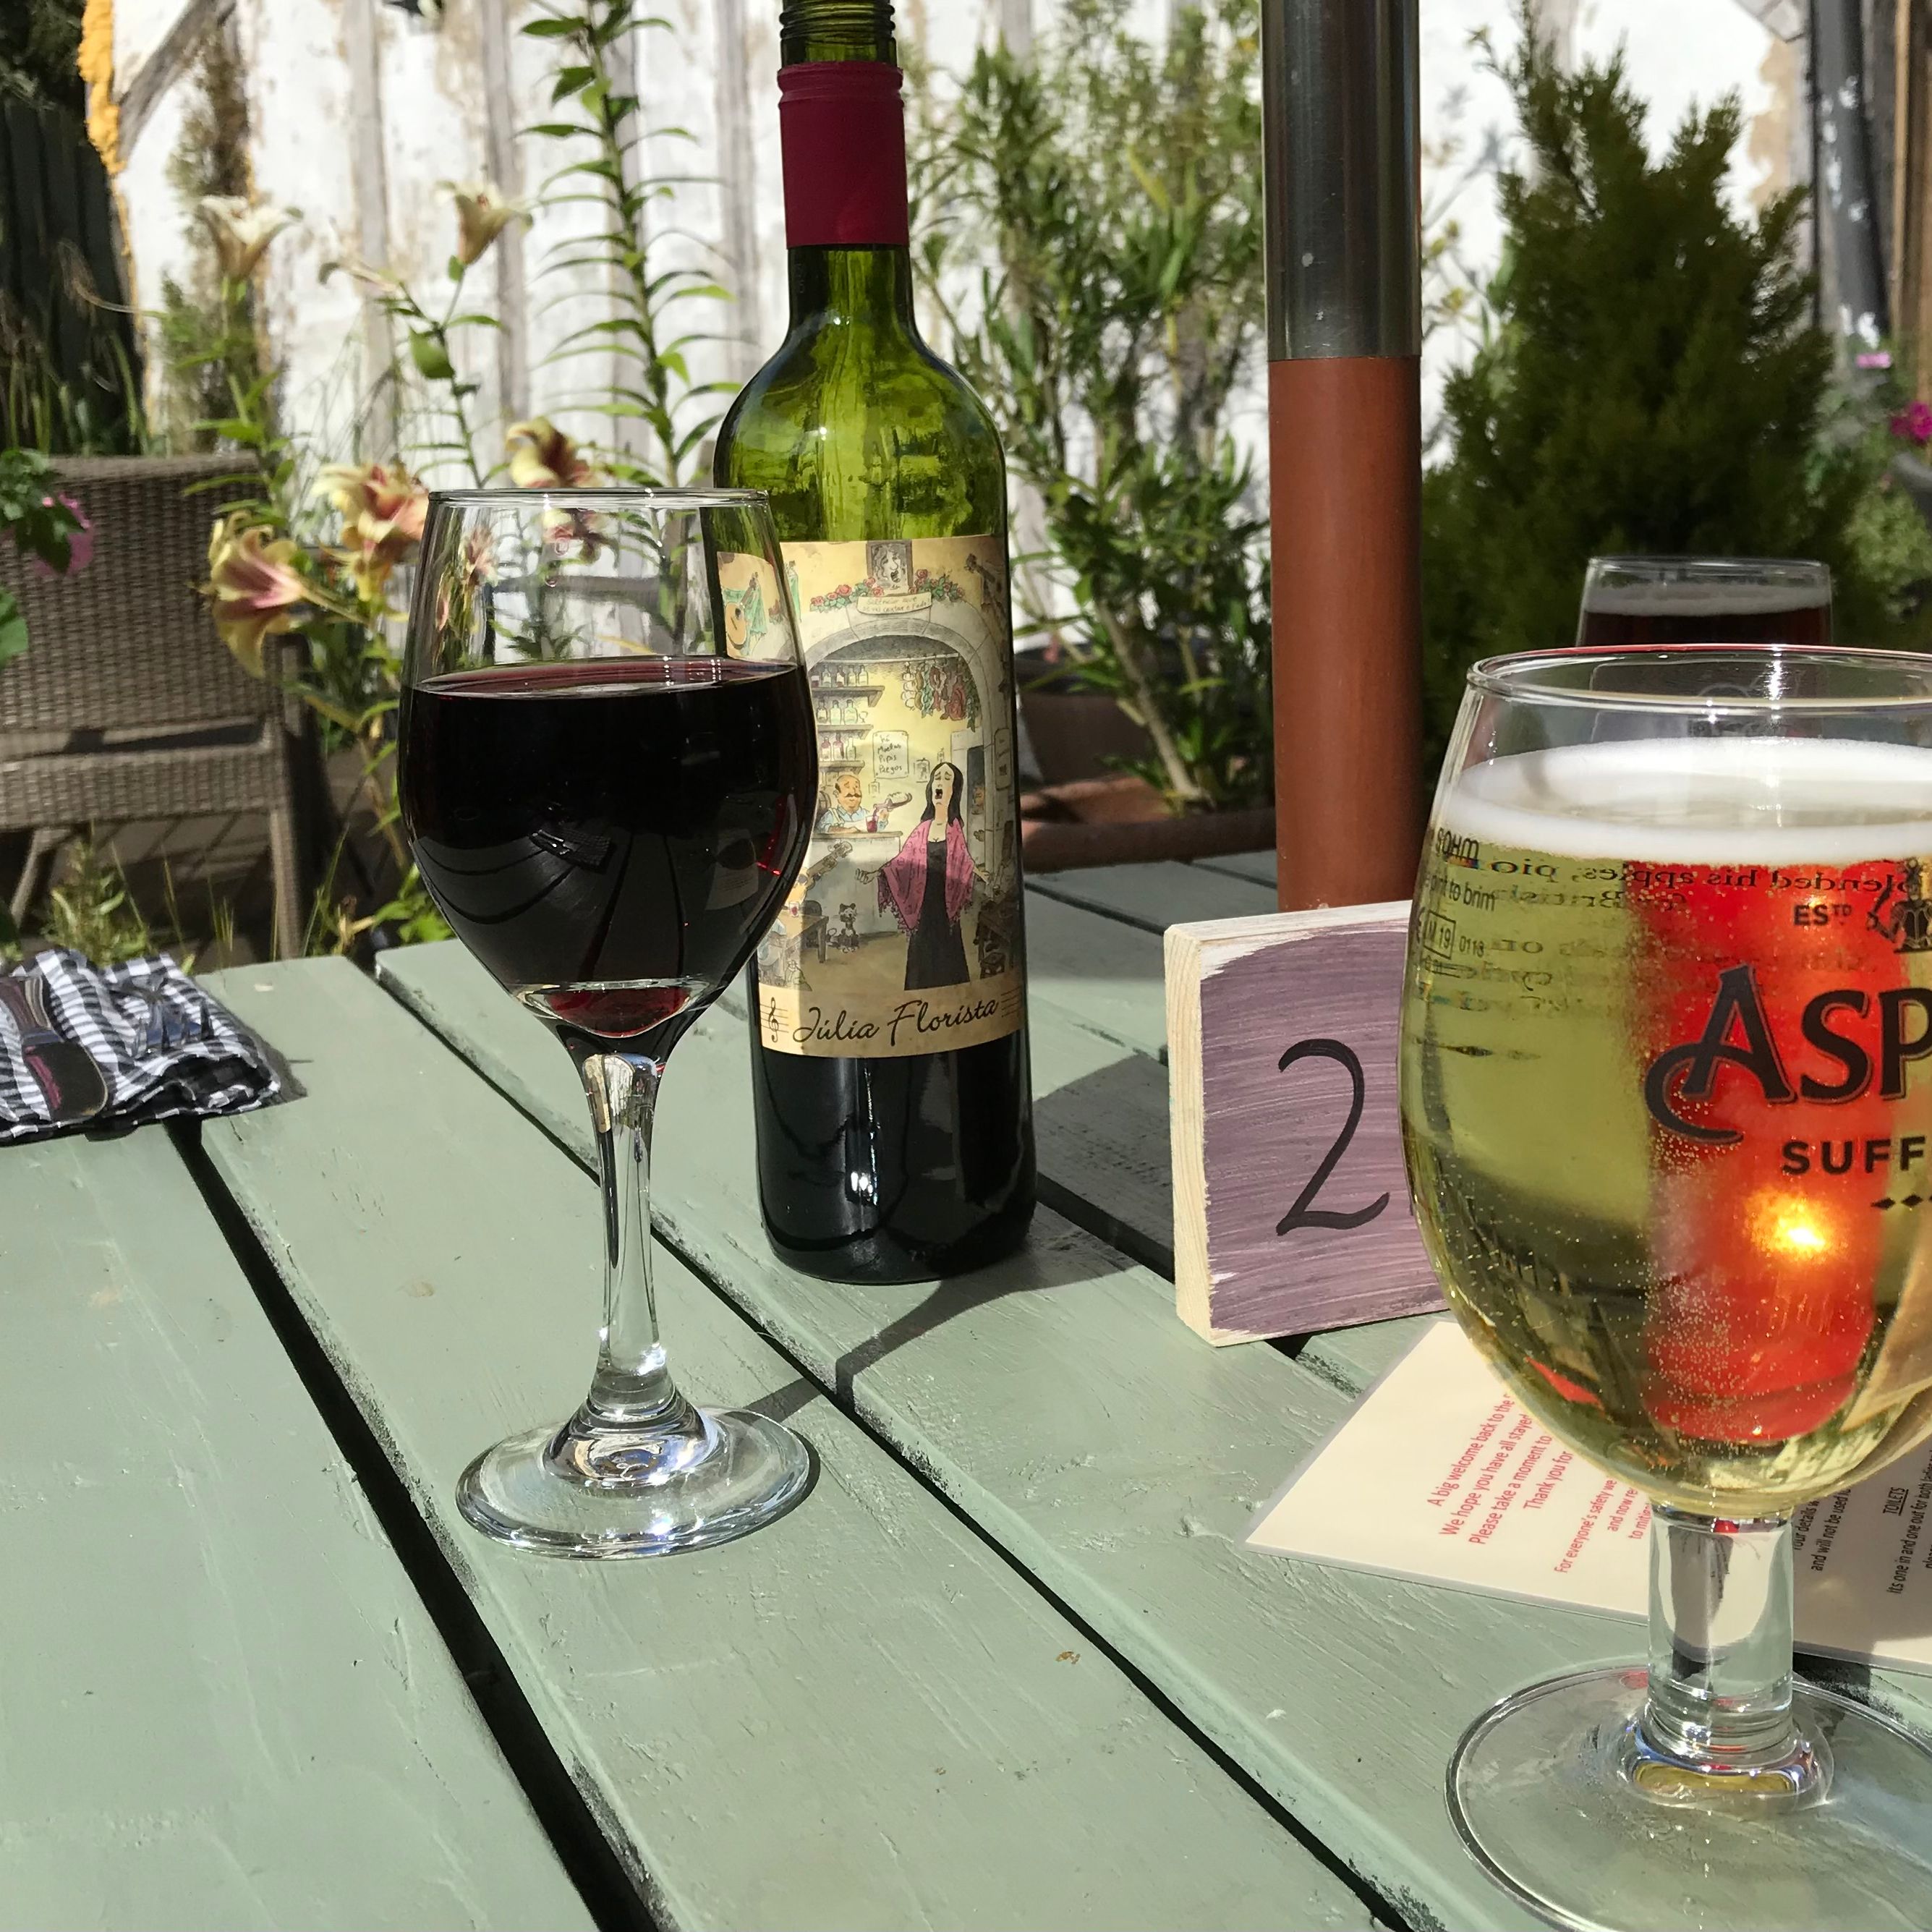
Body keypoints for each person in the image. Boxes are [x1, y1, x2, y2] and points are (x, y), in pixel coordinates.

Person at [870, 762, 974, 989]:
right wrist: (879, 872)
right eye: (938, 777)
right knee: (921, 944)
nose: (941, 781)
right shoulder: (922, 829)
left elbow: (963, 859)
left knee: (949, 944)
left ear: (954, 789)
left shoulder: (954, 827)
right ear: (931, 786)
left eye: (948, 778)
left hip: (944, 901)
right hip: (924, 900)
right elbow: (902, 860)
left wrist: (976, 871)